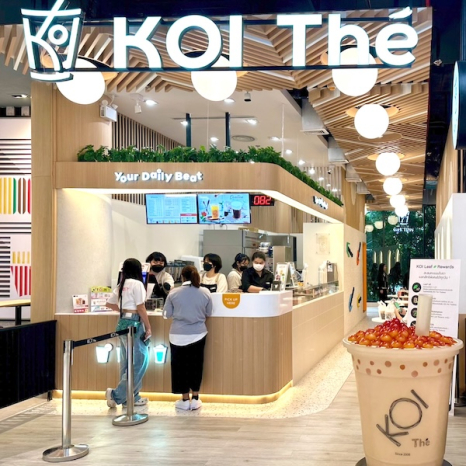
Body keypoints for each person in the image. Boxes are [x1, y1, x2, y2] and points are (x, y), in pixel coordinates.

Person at [163, 266, 213, 410]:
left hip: (177, 335)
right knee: (196, 366)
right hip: (198, 333)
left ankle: (184, 399)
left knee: (179, 367)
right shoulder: (205, 292)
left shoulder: (173, 293)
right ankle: (196, 398)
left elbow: (166, 314)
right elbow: (209, 312)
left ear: (182, 277)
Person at [105, 258, 151, 408]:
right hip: (134, 324)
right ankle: (117, 394)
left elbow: (109, 303)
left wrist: (123, 310)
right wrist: (148, 326)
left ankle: (130, 397)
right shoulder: (137, 284)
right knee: (140, 361)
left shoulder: (121, 284)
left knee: (125, 362)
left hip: (122, 322)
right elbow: (141, 307)